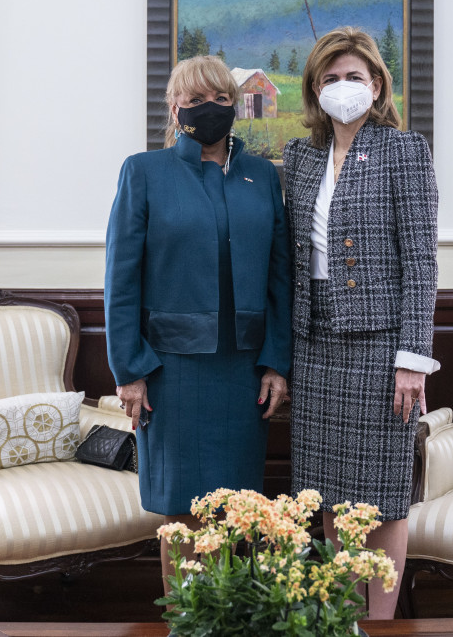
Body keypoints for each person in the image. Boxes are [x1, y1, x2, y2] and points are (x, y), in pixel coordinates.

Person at [104, 55, 292, 578]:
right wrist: (130, 371)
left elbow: (280, 277)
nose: (211, 108)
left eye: (222, 98)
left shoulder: (262, 175)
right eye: (196, 99)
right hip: (171, 373)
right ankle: (188, 616)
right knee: (183, 511)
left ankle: (232, 614)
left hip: (245, 373)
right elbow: (121, 279)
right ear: (175, 108)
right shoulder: (143, 172)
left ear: (236, 106)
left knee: (239, 510)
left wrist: (276, 362)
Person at [283, 26, 439, 620]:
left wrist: (412, 360)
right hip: (315, 345)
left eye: (354, 76)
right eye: (330, 78)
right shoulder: (300, 158)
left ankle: (380, 623)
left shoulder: (404, 151)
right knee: (327, 493)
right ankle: (342, 620)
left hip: (381, 351)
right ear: (314, 90)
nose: (342, 86)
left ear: (376, 86)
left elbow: (421, 263)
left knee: (384, 498)